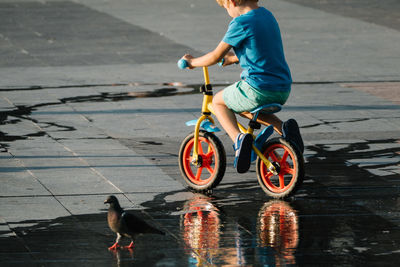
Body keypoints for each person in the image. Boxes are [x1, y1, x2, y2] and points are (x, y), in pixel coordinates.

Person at [181, 0, 303, 173]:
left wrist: (191, 62)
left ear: (231, 1)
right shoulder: (267, 16)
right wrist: (232, 58)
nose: (227, 11)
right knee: (240, 106)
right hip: (281, 87)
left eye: (225, 7)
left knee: (218, 102)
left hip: (257, 88)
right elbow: (262, 50)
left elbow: (215, 56)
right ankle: (283, 128)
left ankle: (238, 139)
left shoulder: (240, 22)